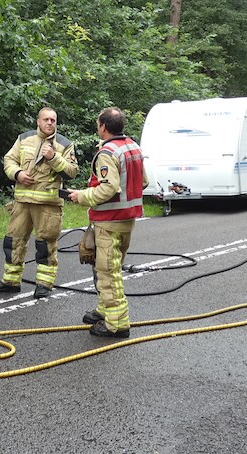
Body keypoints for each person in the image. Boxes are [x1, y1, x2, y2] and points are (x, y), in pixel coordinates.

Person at [66, 107, 147, 339]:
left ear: (102, 126)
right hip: (126, 221)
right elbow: (143, 181)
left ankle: (115, 324)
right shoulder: (134, 147)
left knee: (108, 273)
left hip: (109, 221)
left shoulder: (107, 152)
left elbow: (109, 187)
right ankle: (104, 309)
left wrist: (81, 196)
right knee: (108, 267)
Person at [0, 107, 79, 298]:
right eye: (46, 119)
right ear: (38, 121)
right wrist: (17, 173)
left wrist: (54, 158)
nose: (49, 123)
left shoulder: (64, 144)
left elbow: (72, 172)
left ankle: (44, 284)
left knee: (45, 245)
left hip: (48, 205)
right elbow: (9, 160)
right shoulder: (24, 138)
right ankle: (11, 281)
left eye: (53, 120)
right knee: (13, 241)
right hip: (22, 202)